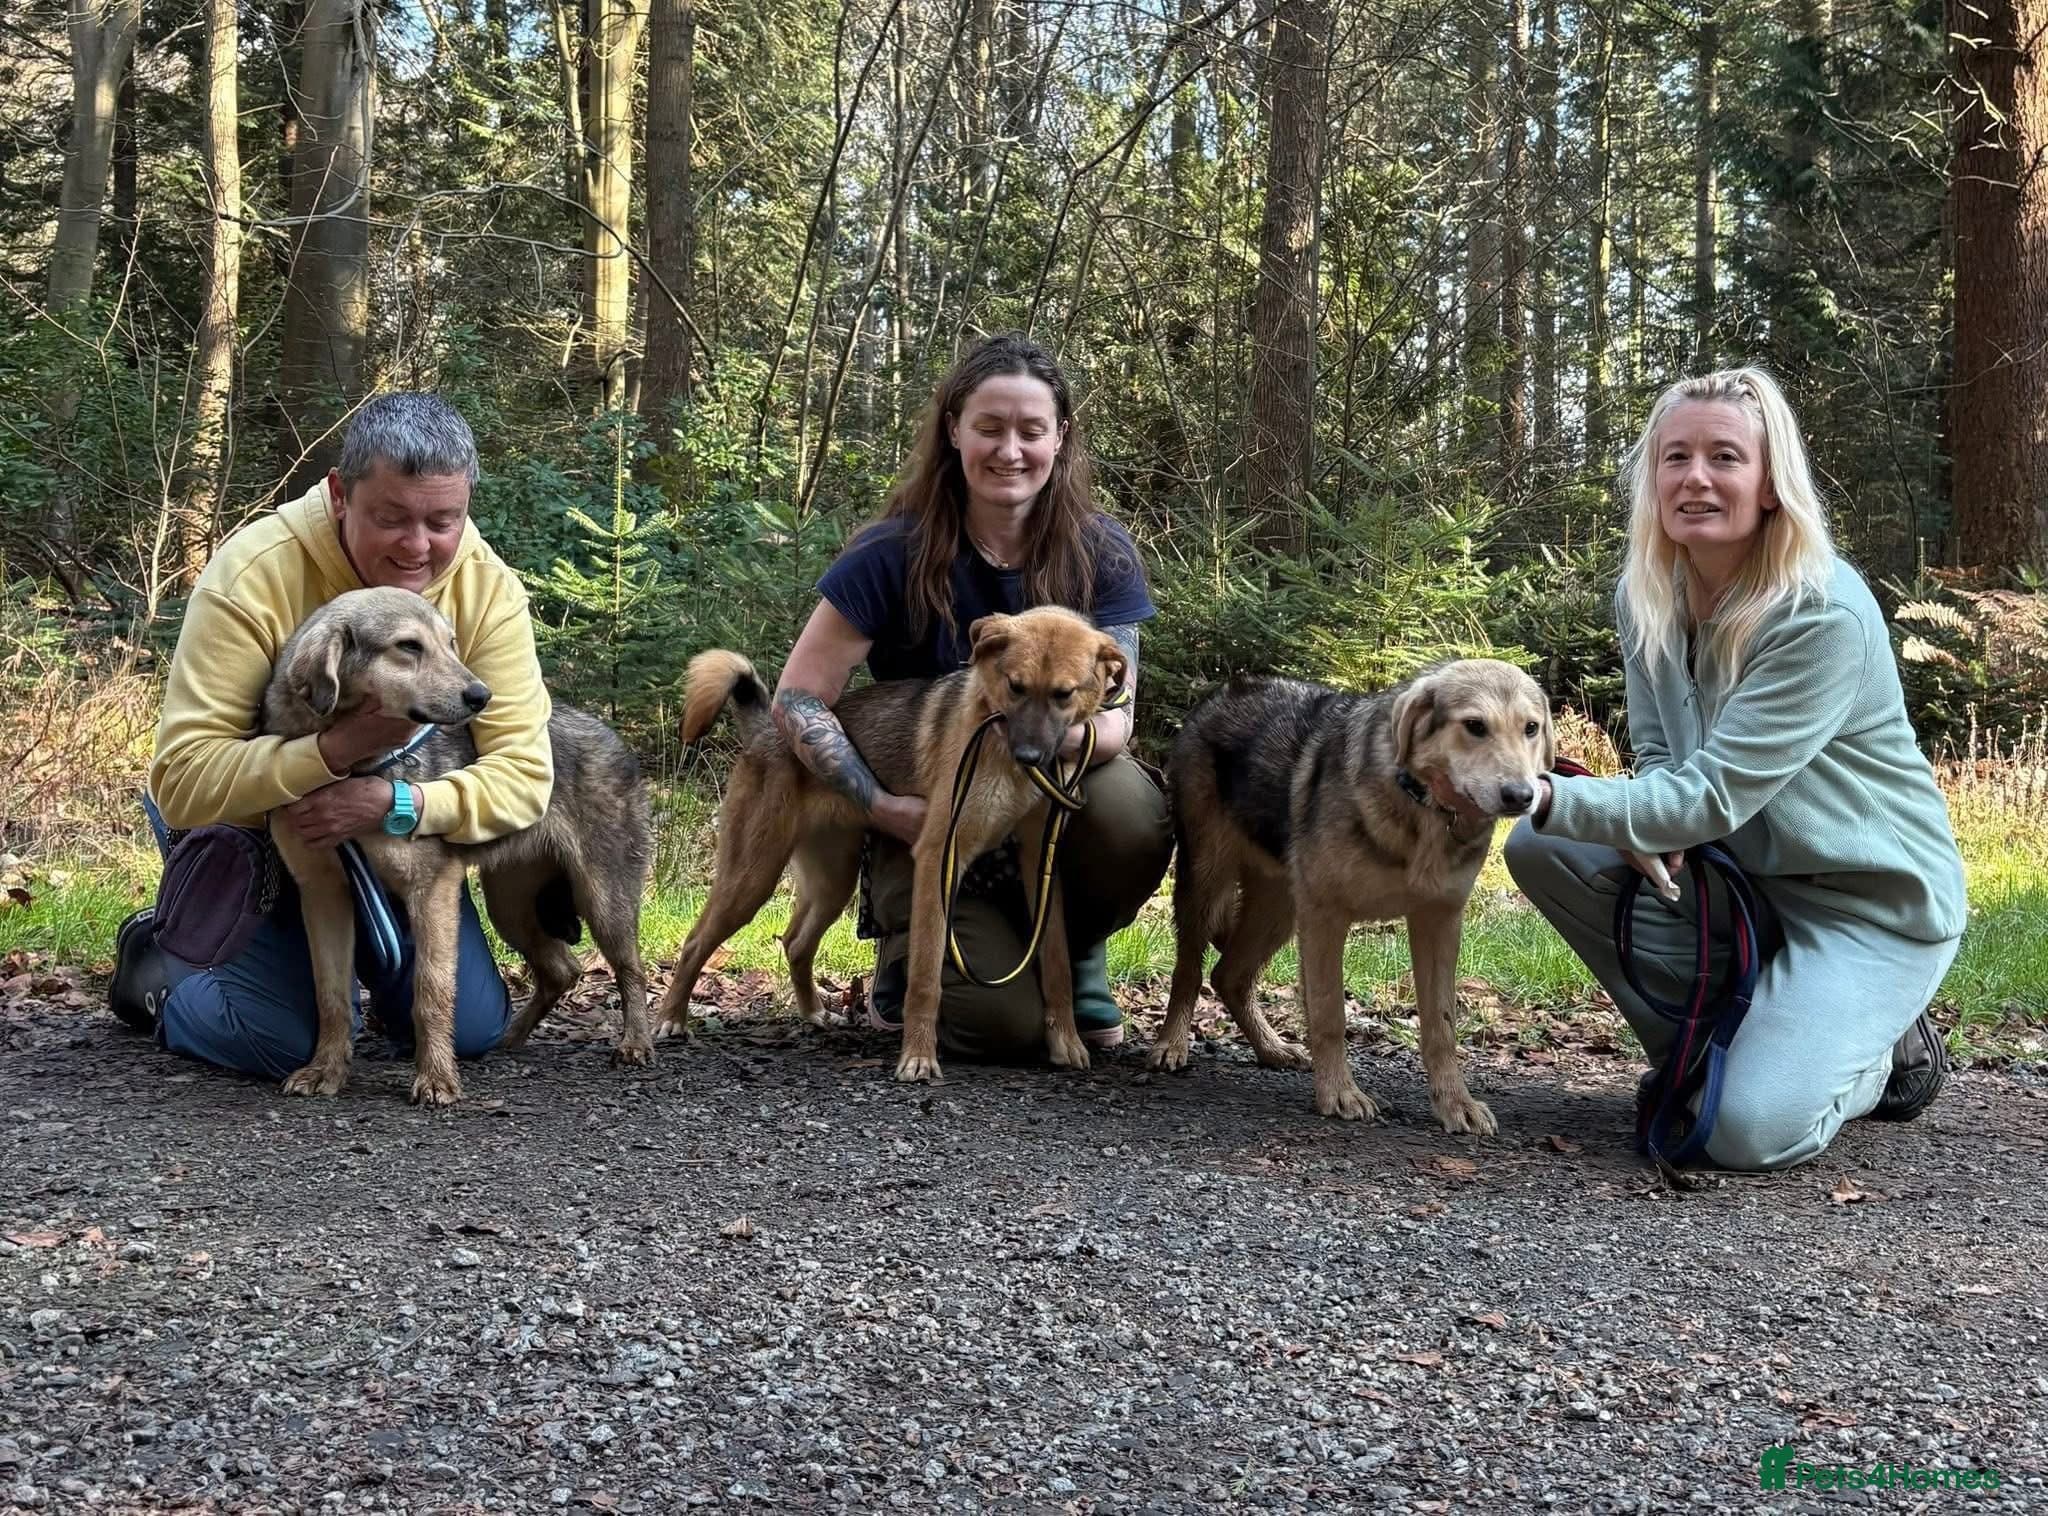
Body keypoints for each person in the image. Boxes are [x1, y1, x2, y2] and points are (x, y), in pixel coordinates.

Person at [1504, 367, 1967, 1172]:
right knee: (1543, 850)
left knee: (1745, 1134)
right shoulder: (1646, 592)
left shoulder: (1819, 612)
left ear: (1770, 484)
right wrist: (1645, 826)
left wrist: (1532, 791)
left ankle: (1882, 1056)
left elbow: (1711, 794)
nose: (1696, 478)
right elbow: (1659, 753)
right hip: (1744, 878)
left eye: (1725, 457)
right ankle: (1712, 1052)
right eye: (1675, 457)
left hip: (1870, 907)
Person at [109, 393, 553, 1081]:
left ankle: (371, 972)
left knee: (470, 1033)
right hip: (256, 831)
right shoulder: (254, 572)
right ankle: (164, 969)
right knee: (273, 1043)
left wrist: (394, 806)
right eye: (392, 518)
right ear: (341, 495)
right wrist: (332, 755)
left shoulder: (486, 589)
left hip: (398, 826)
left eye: (444, 520)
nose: (419, 546)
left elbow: (526, 777)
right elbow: (183, 783)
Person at [774, 332, 1173, 1058]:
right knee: (998, 1031)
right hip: (924, 812)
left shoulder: (1102, 550)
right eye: (989, 428)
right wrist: (880, 805)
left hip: (1040, 801)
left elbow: (1119, 716)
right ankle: (907, 955)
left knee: (1131, 809)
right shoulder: (890, 551)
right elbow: (799, 700)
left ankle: (1075, 946)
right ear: (953, 429)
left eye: (1031, 430)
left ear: (1061, 438)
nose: (1009, 450)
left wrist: (1045, 741)